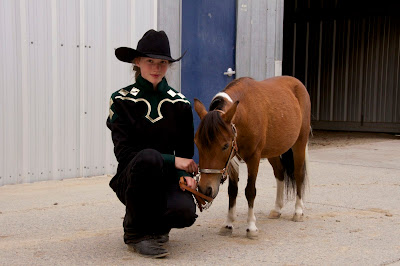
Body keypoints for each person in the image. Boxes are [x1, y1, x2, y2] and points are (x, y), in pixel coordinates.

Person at [107, 29, 198, 258]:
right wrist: (174, 160)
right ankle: (135, 233)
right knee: (148, 157)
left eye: (162, 63)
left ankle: (157, 228)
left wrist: (187, 177)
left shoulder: (181, 104)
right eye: (150, 61)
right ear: (137, 62)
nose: (156, 68)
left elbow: (186, 150)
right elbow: (125, 154)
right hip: (132, 178)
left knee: (185, 211)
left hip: (166, 179)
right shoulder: (121, 100)